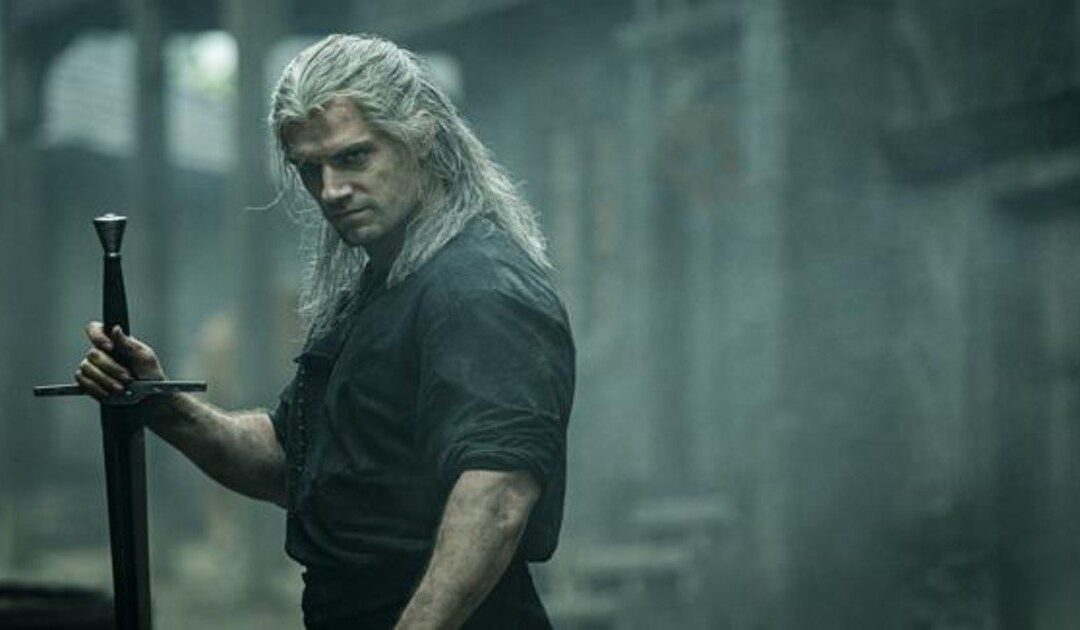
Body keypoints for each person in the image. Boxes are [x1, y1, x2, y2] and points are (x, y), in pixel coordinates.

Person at [75, 34, 575, 629]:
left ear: (422, 137)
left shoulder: (478, 286)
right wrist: (161, 403)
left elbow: (497, 498)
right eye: (310, 169)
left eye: (354, 157)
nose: (331, 189)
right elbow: (294, 461)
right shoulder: (382, 289)